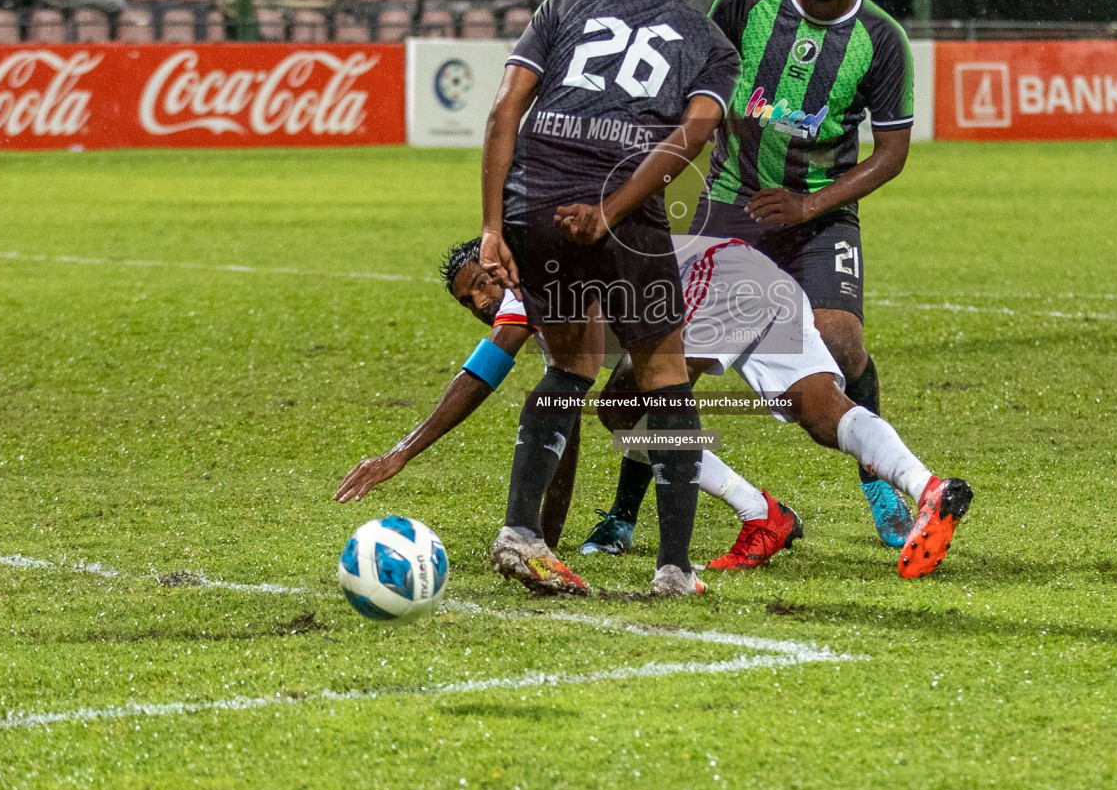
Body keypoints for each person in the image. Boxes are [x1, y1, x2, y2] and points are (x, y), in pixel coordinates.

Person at [333, 236, 973, 579]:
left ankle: (761, 513)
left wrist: (400, 454)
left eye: (479, 281)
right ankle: (929, 486)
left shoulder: (527, 273)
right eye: (466, 298)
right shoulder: (548, 265)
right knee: (819, 409)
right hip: (744, 268)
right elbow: (560, 414)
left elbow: (482, 376)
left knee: (627, 405)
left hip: (703, 287)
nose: (480, 299)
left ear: (497, 256)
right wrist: (544, 534)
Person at [478, 0, 740, 598]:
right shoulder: (711, 41)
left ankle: (520, 534)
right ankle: (676, 568)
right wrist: (612, 210)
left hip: (536, 203)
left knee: (569, 366)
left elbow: (505, 111)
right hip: (622, 216)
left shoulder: (565, 5)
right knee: (664, 372)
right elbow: (692, 137)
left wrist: (492, 227)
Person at [688, 0, 928, 547]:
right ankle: (624, 510)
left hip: (821, 214)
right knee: (669, 363)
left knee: (842, 342)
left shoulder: (882, 38)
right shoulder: (744, 2)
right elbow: (700, 84)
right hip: (732, 203)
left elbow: (893, 152)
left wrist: (810, 204)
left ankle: (879, 483)